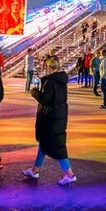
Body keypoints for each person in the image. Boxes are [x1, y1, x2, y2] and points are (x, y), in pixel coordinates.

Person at [22, 56, 77, 185]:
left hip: (51, 118)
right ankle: (34, 170)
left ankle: (70, 174)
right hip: (58, 116)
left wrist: (34, 91)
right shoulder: (60, 80)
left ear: (49, 67)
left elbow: (46, 100)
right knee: (44, 144)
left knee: (57, 147)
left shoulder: (50, 82)